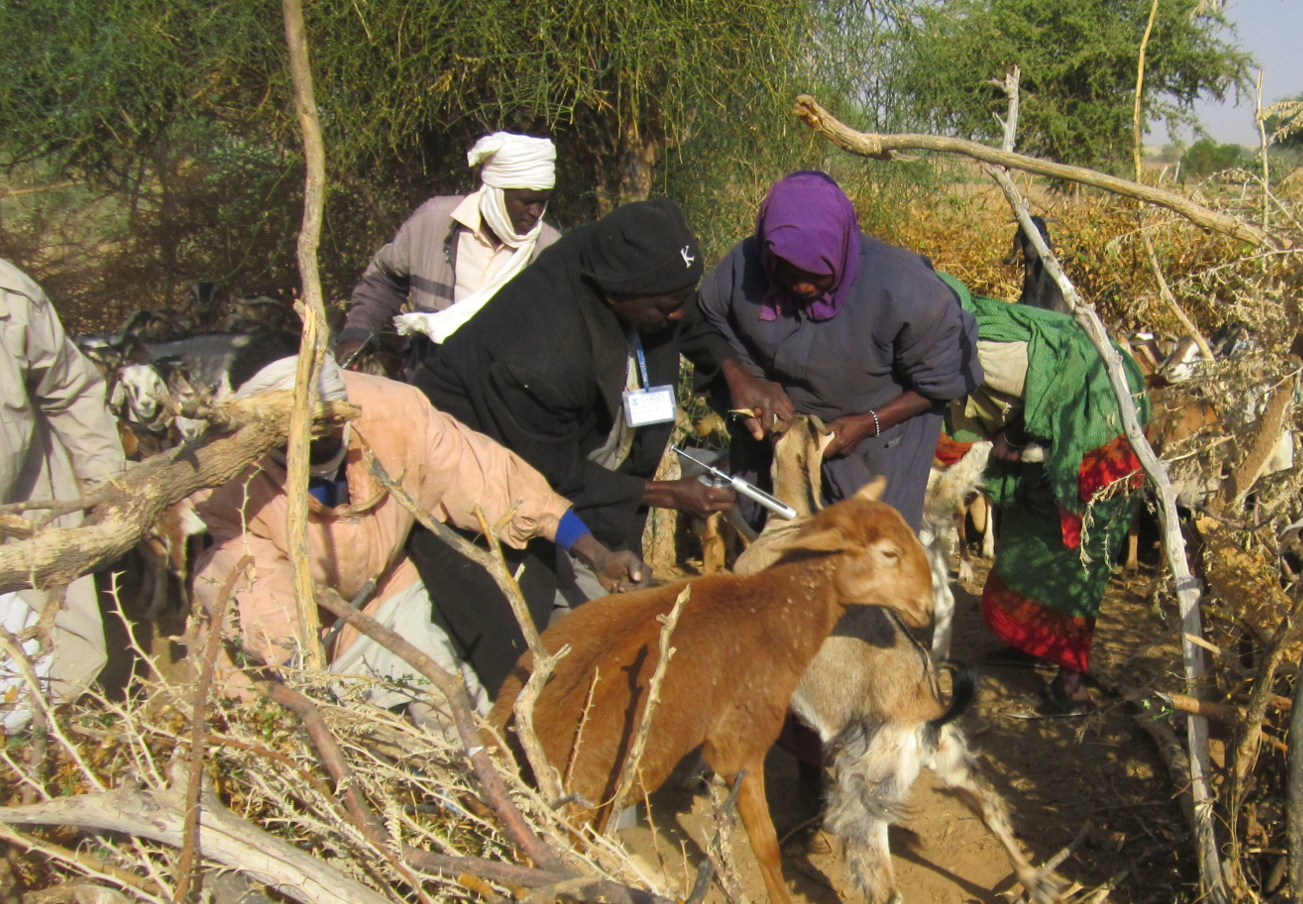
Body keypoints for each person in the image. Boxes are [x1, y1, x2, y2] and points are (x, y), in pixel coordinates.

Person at [189, 332, 648, 723]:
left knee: (453, 711)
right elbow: (258, 591)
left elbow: (494, 478)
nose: (320, 440)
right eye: (304, 434)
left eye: (329, 427)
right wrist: (302, 669)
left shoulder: (393, 412)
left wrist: (597, 553)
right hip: (303, 627)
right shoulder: (227, 480)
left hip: (388, 588)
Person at [413, 197, 736, 694]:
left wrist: (735, 373)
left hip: (569, 464)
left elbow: (681, 310)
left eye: (683, 297)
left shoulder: (613, 255)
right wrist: (668, 494)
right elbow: (550, 479)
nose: (678, 314)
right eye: (665, 306)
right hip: (483, 482)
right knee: (529, 653)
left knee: (614, 617)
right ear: (615, 295)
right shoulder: (540, 357)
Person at [699, 171, 982, 529]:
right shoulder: (742, 269)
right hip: (775, 456)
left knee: (864, 549)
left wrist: (868, 423)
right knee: (778, 547)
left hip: (873, 456)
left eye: (817, 274)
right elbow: (705, 325)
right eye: (786, 273)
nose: (802, 286)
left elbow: (947, 378)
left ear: (843, 249)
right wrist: (742, 378)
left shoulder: (906, 289)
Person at [933, 272, 1148, 713]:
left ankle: (1072, 686)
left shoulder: (987, 351)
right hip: (1052, 439)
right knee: (1023, 544)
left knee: (1075, 566)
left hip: (1104, 445)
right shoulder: (964, 335)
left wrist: (1013, 437)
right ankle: (1029, 643)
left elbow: (1063, 385)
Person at [0, 259, 127, 730]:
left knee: (28, 697)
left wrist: (108, 493)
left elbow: (72, 392)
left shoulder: (10, 295)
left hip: (21, 514)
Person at [335, 132, 563, 373]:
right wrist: (357, 333)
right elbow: (384, 281)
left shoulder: (548, 249)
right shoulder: (433, 223)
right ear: (496, 193)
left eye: (542, 202)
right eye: (526, 201)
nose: (536, 212)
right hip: (425, 377)